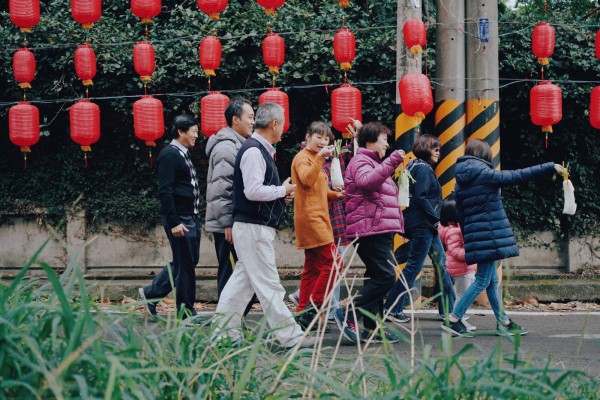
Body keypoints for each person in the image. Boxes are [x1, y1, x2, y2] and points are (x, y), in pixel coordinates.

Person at [211, 103, 316, 349]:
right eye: (283, 124)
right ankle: (289, 337)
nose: (284, 130)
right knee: (268, 284)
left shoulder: (257, 149)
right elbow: (253, 190)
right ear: (275, 124)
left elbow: (256, 190)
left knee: (240, 285)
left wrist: (281, 193)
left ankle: (222, 334)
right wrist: (282, 189)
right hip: (253, 227)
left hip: (251, 226)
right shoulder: (254, 151)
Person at [442, 139, 566, 337]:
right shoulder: (484, 174)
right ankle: (454, 319)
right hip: (489, 235)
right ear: (485, 156)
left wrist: (469, 237)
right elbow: (517, 175)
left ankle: (504, 322)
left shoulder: (461, 181)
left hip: (477, 235)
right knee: (483, 280)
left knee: (491, 280)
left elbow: (461, 214)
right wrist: (549, 167)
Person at [333, 122, 405, 344]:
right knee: (385, 277)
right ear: (370, 141)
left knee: (377, 276)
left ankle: (373, 329)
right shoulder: (361, 161)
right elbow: (367, 183)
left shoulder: (371, 162)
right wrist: (393, 161)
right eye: (384, 139)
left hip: (376, 228)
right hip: (369, 230)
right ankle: (347, 311)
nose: (387, 144)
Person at [384, 134, 455, 323]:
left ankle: (449, 310)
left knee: (442, 265)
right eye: (435, 148)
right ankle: (392, 308)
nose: (439, 152)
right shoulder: (423, 170)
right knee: (415, 268)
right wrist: (436, 219)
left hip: (424, 225)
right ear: (425, 148)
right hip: (424, 225)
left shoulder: (413, 165)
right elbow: (421, 197)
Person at [139, 115, 201, 320]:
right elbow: (165, 191)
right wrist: (174, 222)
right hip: (180, 218)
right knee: (185, 266)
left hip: (190, 216)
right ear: (181, 132)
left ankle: (151, 293)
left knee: (189, 261)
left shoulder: (183, 154)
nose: (196, 135)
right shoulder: (169, 155)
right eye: (193, 131)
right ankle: (185, 311)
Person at [205, 97, 257, 314]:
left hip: (235, 223)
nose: (254, 122)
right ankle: (225, 326)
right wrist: (228, 223)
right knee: (230, 276)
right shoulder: (227, 148)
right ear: (236, 120)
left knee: (239, 276)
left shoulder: (239, 145)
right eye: (250, 117)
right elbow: (221, 191)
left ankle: (233, 323)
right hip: (228, 226)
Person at [291, 122, 343, 330]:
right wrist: (321, 157)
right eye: (318, 137)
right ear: (308, 137)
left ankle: (303, 311)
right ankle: (314, 306)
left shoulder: (314, 158)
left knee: (312, 268)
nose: (323, 142)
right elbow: (305, 180)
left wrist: (336, 195)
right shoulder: (303, 157)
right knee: (335, 262)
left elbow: (317, 190)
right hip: (312, 219)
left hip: (317, 218)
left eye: (326, 139)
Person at [438, 196, 476, 331]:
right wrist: (469, 254)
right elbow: (454, 251)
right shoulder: (453, 231)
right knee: (462, 294)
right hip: (461, 267)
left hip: (464, 266)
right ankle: (456, 319)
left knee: (465, 293)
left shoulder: (452, 228)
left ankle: (459, 319)